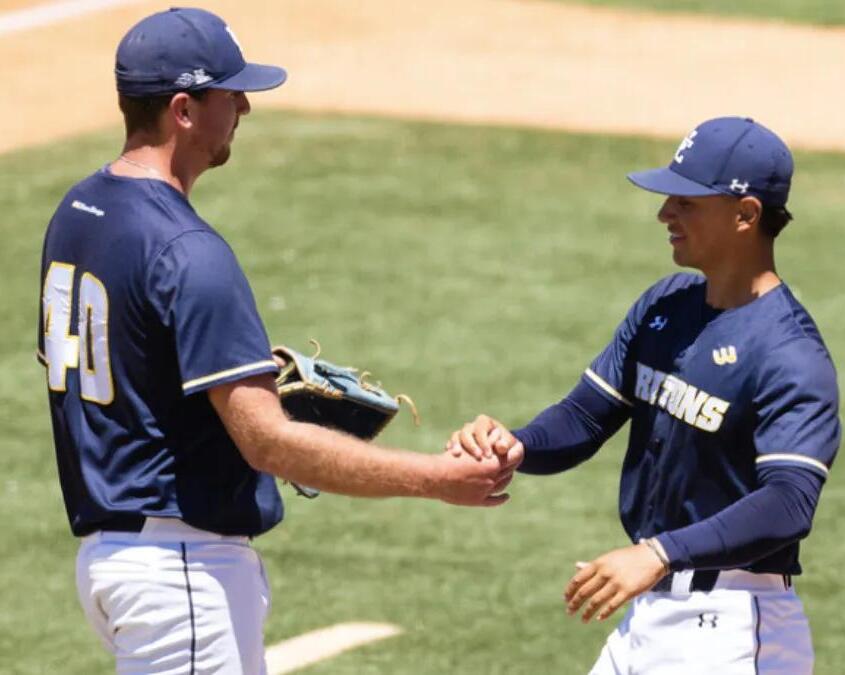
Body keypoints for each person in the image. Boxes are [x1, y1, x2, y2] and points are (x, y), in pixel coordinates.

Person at [37, 8, 520, 673]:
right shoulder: (189, 251)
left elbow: (128, 365)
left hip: (114, 562)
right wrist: (438, 478)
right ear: (183, 110)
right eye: (229, 94)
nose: (243, 107)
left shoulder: (78, 211)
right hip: (184, 572)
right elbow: (267, 441)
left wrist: (228, 368)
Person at [449, 117, 840, 673]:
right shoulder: (668, 304)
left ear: (746, 214)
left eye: (687, 203)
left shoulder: (789, 353)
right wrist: (516, 445)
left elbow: (790, 502)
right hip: (648, 611)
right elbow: (586, 416)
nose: (665, 215)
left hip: (731, 626)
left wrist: (659, 553)